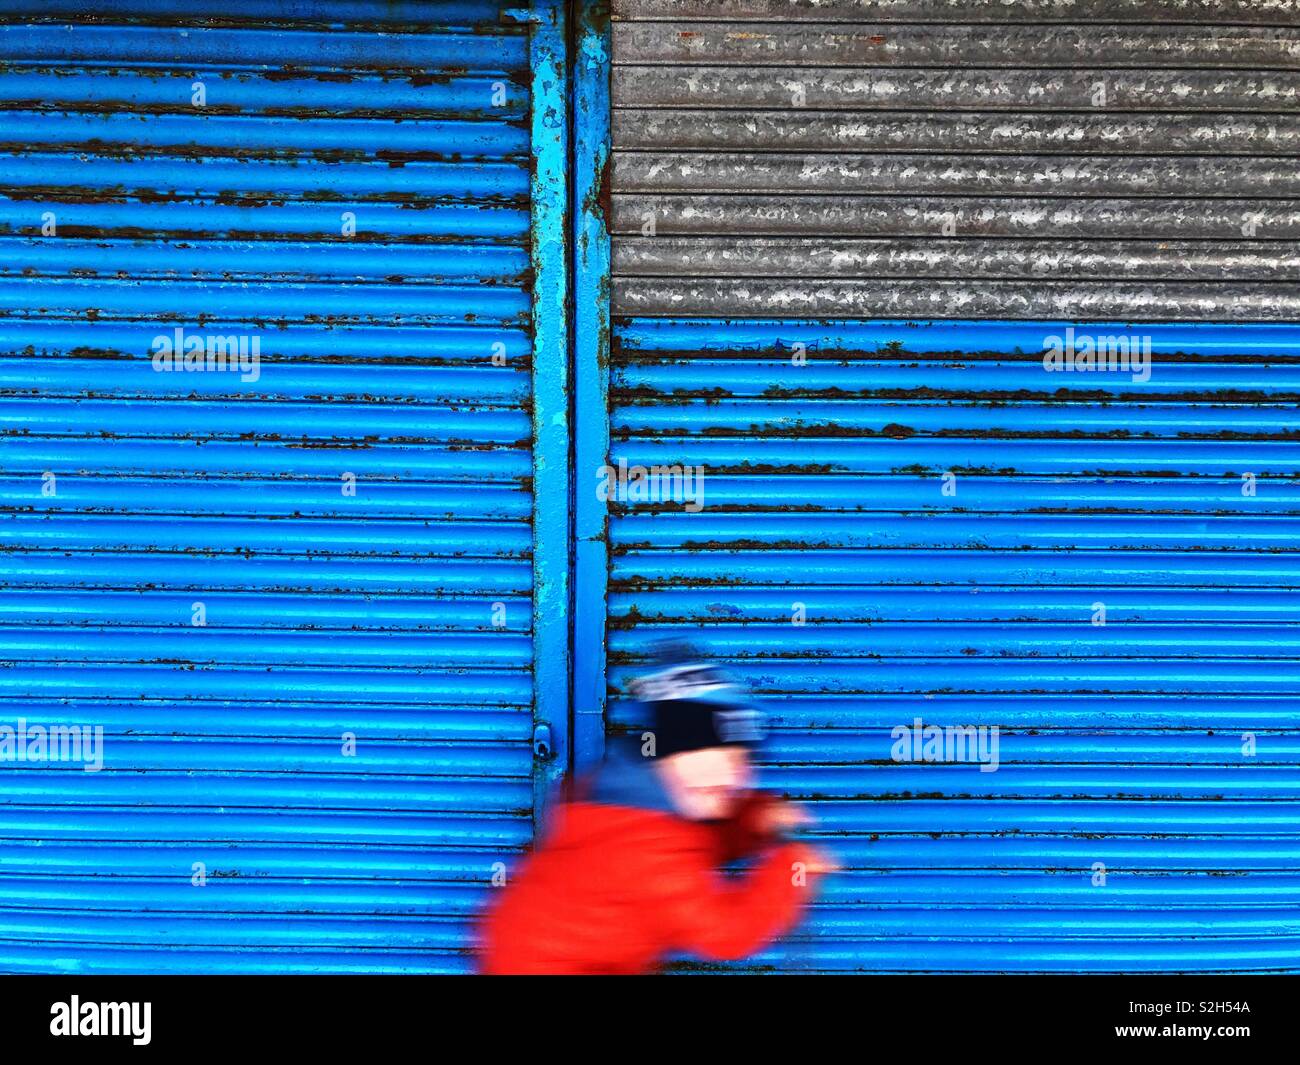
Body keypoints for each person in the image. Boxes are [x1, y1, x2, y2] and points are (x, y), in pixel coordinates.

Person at [478, 658, 835, 974]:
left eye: (741, 760)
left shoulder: (630, 809)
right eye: (715, 758)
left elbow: (692, 850)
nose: (734, 777)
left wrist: (753, 825)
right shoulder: (649, 849)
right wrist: (791, 871)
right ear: (667, 757)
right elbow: (727, 935)